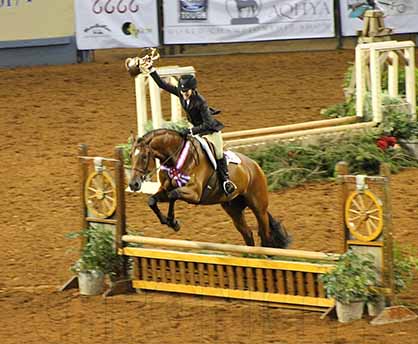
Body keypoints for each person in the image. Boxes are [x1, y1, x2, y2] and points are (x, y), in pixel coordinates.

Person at [141, 62, 236, 196]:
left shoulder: (200, 101)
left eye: (186, 91)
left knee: (218, 154)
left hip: (210, 131)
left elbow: (208, 124)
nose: (184, 93)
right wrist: (151, 69)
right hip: (195, 129)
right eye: (182, 91)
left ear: (192, 89)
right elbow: (162, 85)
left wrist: (191, 131)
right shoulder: (181, 93)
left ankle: (226, 181)